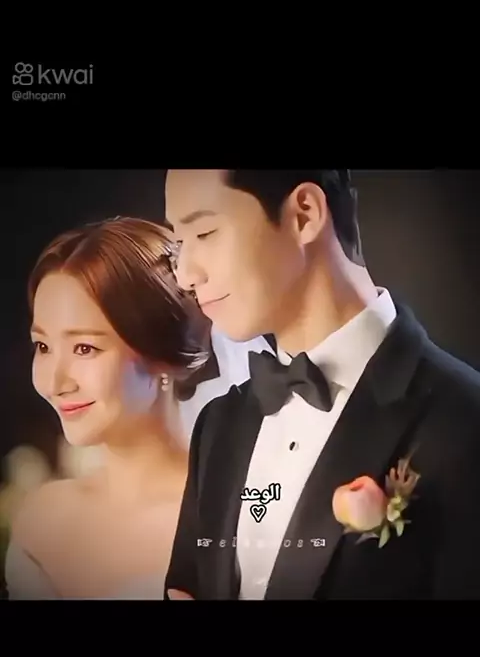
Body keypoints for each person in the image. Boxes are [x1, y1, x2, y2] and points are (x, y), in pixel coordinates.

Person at [164, 169, 480, 600]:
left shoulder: (463, 420)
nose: (185, 275)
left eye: (205, 233)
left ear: (304, 215)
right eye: (179, 244)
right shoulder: (219, 425)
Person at [5, 216, 268, 599]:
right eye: (43, 346)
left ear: (161, 354)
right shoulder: (42, 518)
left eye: (85, 348)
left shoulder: (233, 516)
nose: (55, 382)